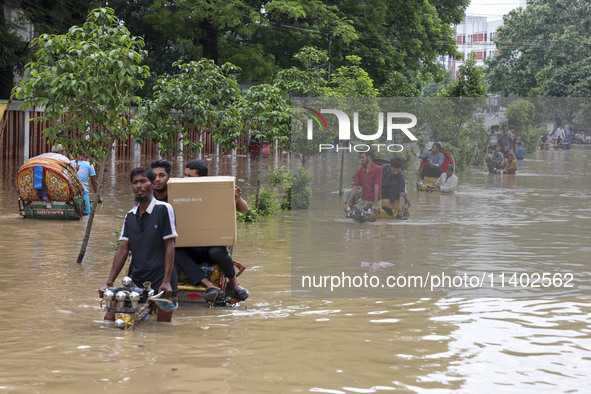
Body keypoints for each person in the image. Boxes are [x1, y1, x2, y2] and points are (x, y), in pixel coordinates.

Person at [150, 159, 250, 302]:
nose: (186, 179)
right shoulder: (176, 192)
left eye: (190, 177)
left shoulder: (215, 191)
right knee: (175, 252)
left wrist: (237, 198)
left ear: (202, 178)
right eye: (185, 175)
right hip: (187, 247)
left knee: (218, 251)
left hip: (211, 246)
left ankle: (235, 284)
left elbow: (245, 210)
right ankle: (208, 285)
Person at [101, 167, 178, 322]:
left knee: (163, 327)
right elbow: (123, 250)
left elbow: (170, 245)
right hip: (136, 279)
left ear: (152, 184)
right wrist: (108, 284)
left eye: (143, 181)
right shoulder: (130, 216)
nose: (138, 186)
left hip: (161, 278)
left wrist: (167, 281)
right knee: (110, 319)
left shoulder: (163, 209)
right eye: (135, 182)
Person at [344, 151, 382, 222]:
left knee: (371, 220)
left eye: (362, 158)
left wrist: (375, 204)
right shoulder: (359, 171)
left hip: (375, 200)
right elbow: (355, 187)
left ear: (369, 157)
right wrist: (348, 203)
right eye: (360, 158)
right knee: (357, 219)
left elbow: (377, 186)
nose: (361, 160)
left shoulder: (378, 169)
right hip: (364, 200)